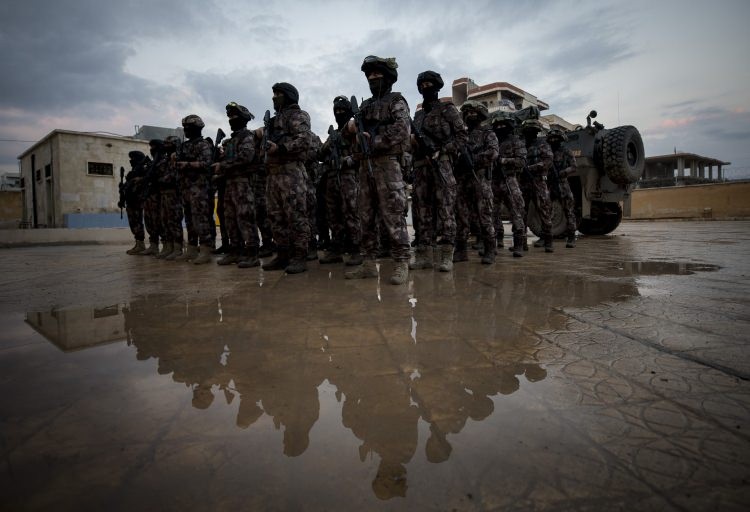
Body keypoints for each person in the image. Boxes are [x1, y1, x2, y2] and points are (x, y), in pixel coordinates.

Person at [344, 55, 411, 285]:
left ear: (387, 76)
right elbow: (350, 137)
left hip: (387, 166)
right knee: (366, 216)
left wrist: (374, 140)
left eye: (377, 74)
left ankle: (401, 262)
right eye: (369, 75)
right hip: (365, 167)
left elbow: (402, 130)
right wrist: (352, 132)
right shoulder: (365, 106)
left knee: (393, 214)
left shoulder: (396, 101)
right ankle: (369, 264)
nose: (372, 78)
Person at [410, 70, 467, 272]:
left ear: (437, 86)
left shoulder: (447, 110)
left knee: (445, 210)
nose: (425, 88)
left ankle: (446, 255)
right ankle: (424, 255)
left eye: (429, 84)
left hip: (441, 165)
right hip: (420, 168)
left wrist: (443, 150)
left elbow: (462, 137)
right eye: (422, 85)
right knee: (422, 212)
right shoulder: (417, 116)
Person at [260, 82, 313, 274]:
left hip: (291, 173)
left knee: (296, 215)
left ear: (289, 96)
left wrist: (280, 148)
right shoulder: (273, 121)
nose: (274, 98)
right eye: (273, 94)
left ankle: (300, 256)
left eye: (278, 94)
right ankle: (282, 254)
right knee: (275, 216)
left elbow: (304, 140)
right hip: (273, 174)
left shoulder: (298, 115)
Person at [211, 102, 261, 268]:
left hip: (243, 184)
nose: (232, 119)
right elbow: (229, 159)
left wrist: (223, 166)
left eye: (235, 116)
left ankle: (252, 254)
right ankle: (235, 251)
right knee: (230, 219)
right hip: (230, 184)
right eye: (230, 117)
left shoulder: (247, 136)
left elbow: (245, 157)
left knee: (245, 218)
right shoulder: (232, 140)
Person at [319, 96, 362, 266]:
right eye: (336, 111)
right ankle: (336, 247)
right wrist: (330, 145)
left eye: (342, 111)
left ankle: (356, 248)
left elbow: (362, 152)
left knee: (352, 212)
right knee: (333, 214)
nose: (339, 113)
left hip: (349, 177)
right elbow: (319, 154)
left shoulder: (354, 130)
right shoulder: (334, 135)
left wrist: (348, 160)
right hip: (332, 178)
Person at [456, 101, 498, 264]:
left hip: (480, 179)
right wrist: (459, 160)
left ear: (480, 115)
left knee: (484, 215)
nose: (470, 115)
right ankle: (460, 250)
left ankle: (490, 249)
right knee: (461, 216)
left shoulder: (488, 134)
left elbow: (493, 153)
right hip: (462, 180)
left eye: (474, 112)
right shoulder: (461, 135)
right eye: (467, 113)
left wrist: (474, 159)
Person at [174, 114, 214, 264]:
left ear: (197, 129)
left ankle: (205, 250)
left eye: (188, 128)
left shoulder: (203, 145)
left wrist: (188, 165)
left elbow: (206, 163)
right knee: (190, 221)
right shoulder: (184, 146)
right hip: (186, 188)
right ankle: (191, 249)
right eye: (184, 128)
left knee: (201, 220)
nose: (186, 130)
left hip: (199, 188)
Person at [491, 113, 527, 257]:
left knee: (516, 213)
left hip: (509, 180)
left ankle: (518, 245)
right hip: (494, 181)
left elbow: (522, 162)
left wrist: (504, 161)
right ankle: (492, 244)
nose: (500, 128)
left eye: (503, 125)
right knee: (491, 213)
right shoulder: (493, 141)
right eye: (497, 125)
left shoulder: (516, 142)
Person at [520, 119, 554, 253]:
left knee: (544, 210)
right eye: (528, 130)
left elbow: (548, 161)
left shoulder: (543, 144)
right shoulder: (522, 144)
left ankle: (548, 240)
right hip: (523, 182)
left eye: (532, 130)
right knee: (521, 212)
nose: (530, 132)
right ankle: (521, 242)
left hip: (538, 181)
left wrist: (531, 168)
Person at [547, 128, 578, 248]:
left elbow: (574, 167)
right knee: (546, 212)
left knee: (568, 211)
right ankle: (546, 237)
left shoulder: (566, 151)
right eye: (552, 139)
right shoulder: (548, 152)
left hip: (562, 185)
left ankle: (571, 237)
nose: (554, 140)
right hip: (550, 185)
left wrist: (563, 172)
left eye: (556, 139)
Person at [155, 136, 184, 260]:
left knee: (174, 221)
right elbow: (158, 174)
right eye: (165, 144)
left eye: (169, 144)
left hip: (174, 194)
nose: (166, 146)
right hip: (163, 194)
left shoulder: (178, 158)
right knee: (164, 221)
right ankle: (168, 246)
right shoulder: (164, 160)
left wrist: (161, 179)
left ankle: (177, 248)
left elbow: (174, 175)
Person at [121, 150, 150, 255]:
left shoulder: (143, 169)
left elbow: (146, 180)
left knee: (137, 222)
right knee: (133, 223)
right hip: (131, 200)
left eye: (132, 158)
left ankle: (141, 244)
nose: (131, 161)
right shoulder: (134, 171)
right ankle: (138, 243)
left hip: (137, 200)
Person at [140, 139, 164, 256]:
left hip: (158, 196)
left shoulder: (163, 161)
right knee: (149, 222)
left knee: (159, 221)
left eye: (154, 147)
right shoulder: (151, 163)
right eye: (150, 147)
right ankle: (153, 245)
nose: (151, 149)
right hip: (149, 195)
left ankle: (167, 246)